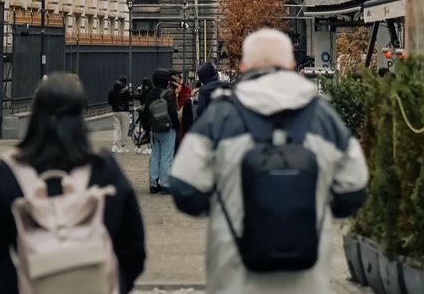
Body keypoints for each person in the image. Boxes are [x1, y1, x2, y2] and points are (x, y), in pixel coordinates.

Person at [170, 28, 368, 294]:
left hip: (235, 278)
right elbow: (354, 191)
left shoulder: (221, 117)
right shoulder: (323, 117)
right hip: (308, 281)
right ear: (291, 65)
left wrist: (226, 202)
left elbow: (184, 188)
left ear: (243, 66)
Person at [0, 72, 145, 294]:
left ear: (36, 113)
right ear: (81, 113)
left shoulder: (9, 171)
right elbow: (133, 247)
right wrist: (114, 283)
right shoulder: (103, 168)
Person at [140, 68, 178, 193]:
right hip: (168, 129)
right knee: (167, 157)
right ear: (166, 80)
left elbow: (145, 113)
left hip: (154, 129)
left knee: (155, 156)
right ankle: (166, 184)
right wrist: (177, 127)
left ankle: (153, 184)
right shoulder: (168, 94)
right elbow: (173, 113)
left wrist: (146, 128)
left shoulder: (150, 94)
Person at [108, 77, 131, 153]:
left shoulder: (111, 91)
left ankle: (114, 145)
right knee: (125, 129)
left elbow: (109, 101)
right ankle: (123, 146)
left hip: (115, 111)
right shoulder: (125, 91)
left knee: (116, 128)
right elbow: (130, 99)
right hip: (124, 111)